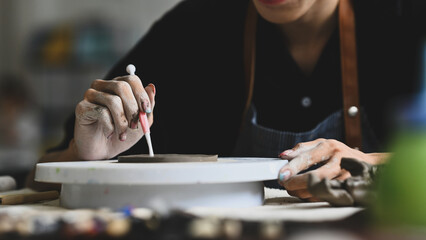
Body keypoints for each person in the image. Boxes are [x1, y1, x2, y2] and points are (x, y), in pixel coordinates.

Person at [27, 0, 426, 201]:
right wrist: (87, 159)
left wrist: (374, 165)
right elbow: (40, 178)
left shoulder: (407, 18)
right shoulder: (197, 29)